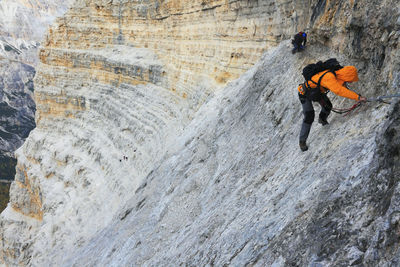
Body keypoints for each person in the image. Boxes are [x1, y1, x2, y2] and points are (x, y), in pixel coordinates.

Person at [298, 65, 367, 151]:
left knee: (328, 106)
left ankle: (322, 119)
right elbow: (339, 90)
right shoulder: (329, 77)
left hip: (317, 91)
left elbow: (341, 87)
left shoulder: (337, 72)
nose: (351, 82)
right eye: (350, 80)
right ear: (347, 76)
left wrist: (357, 96)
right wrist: (358, 97)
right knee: (309, 116)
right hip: (304, 93)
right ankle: (302, 141)